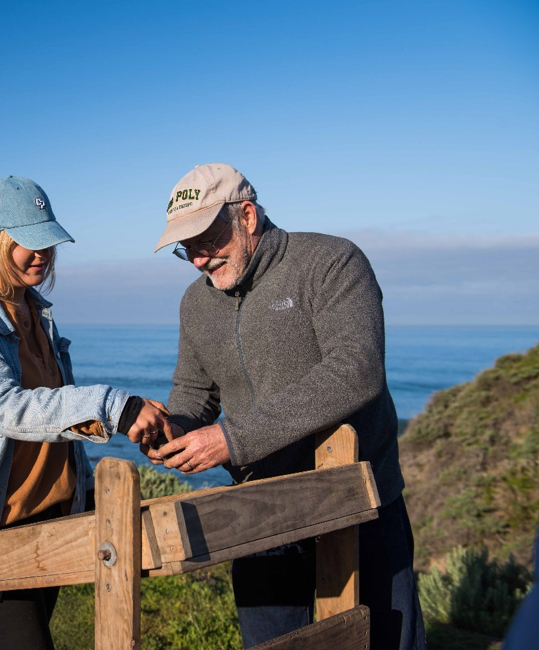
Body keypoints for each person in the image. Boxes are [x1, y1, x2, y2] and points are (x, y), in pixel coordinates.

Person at [143, 164, 427, 650]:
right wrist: (171, 431)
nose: (197, 260)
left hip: (361, 499)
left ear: (247, 216)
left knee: (389, 642)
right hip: (261, 510)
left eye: (205, 241)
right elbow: (195, 393)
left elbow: (355, 370)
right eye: (185, 248)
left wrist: (232, 440)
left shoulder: (331, 261)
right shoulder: (196, 303)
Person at [0, 175, 172, 650]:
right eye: (27, 243)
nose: (42, 254)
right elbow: (8, 408)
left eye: (47, 241)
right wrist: (117, 405)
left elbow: (55, 410)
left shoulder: (35, 310)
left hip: (48, 516)